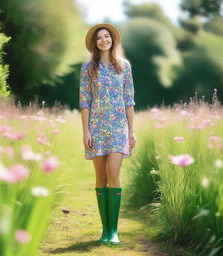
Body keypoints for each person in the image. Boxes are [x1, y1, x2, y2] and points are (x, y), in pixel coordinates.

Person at [79, 23, 136, 245]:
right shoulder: (87, 69)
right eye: (99, 37)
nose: (104, 39)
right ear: (94, 43)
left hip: (118, 127)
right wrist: (86, 132)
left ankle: (114, 231)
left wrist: (132, 130)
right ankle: (105, 230)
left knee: (113, 173)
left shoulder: (125, 66)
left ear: (112, 40)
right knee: (101, 176)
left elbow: (129, 99)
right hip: (97, 127)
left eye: (107, 36)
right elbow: (85, 101)